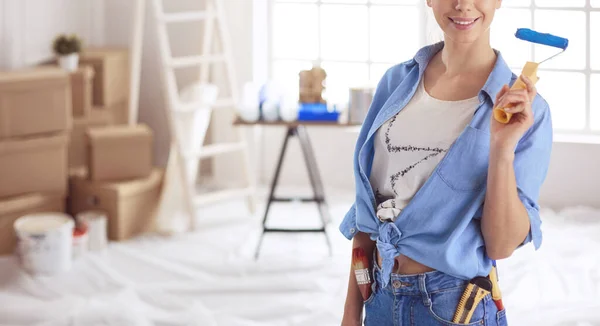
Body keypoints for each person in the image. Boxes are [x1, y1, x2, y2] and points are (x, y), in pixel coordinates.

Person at [340, 0, 553, 325]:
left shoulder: (527, 112)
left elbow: (501, 245)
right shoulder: (395, 82)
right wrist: (351, 315)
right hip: (379, 296)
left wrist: (501, 147)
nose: (462, 5)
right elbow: (368, 212)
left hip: (453, 308)